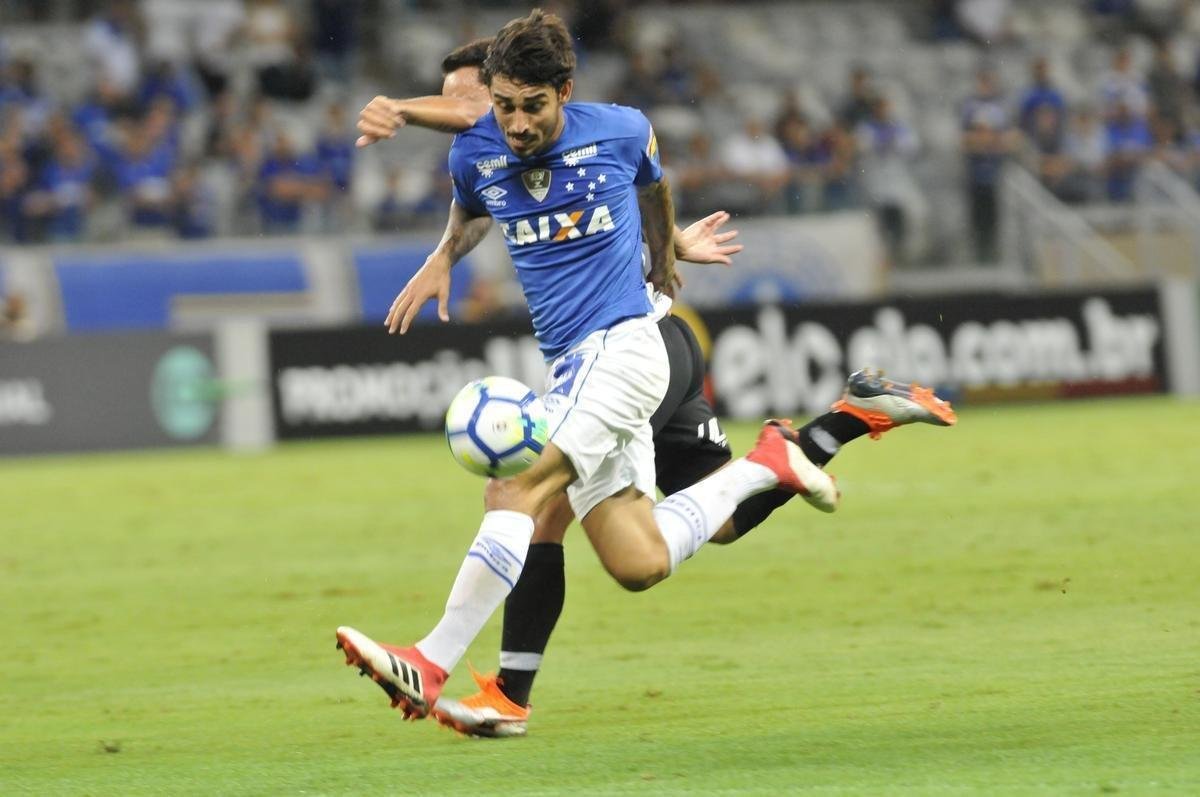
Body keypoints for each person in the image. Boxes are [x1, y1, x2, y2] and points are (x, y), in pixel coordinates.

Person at [337, 11, 956, 733]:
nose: (511, 122)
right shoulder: (476, 155)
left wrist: (664, 253)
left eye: (528, 106)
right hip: (574, 361)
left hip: (629, 347)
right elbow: (477, 199)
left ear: (563, 92)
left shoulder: (620, 128)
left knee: (520, 485)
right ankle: (784, 453)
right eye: (499, 106)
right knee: (638, 560)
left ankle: (436, 661)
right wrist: (444, 252)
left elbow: (653, 183)